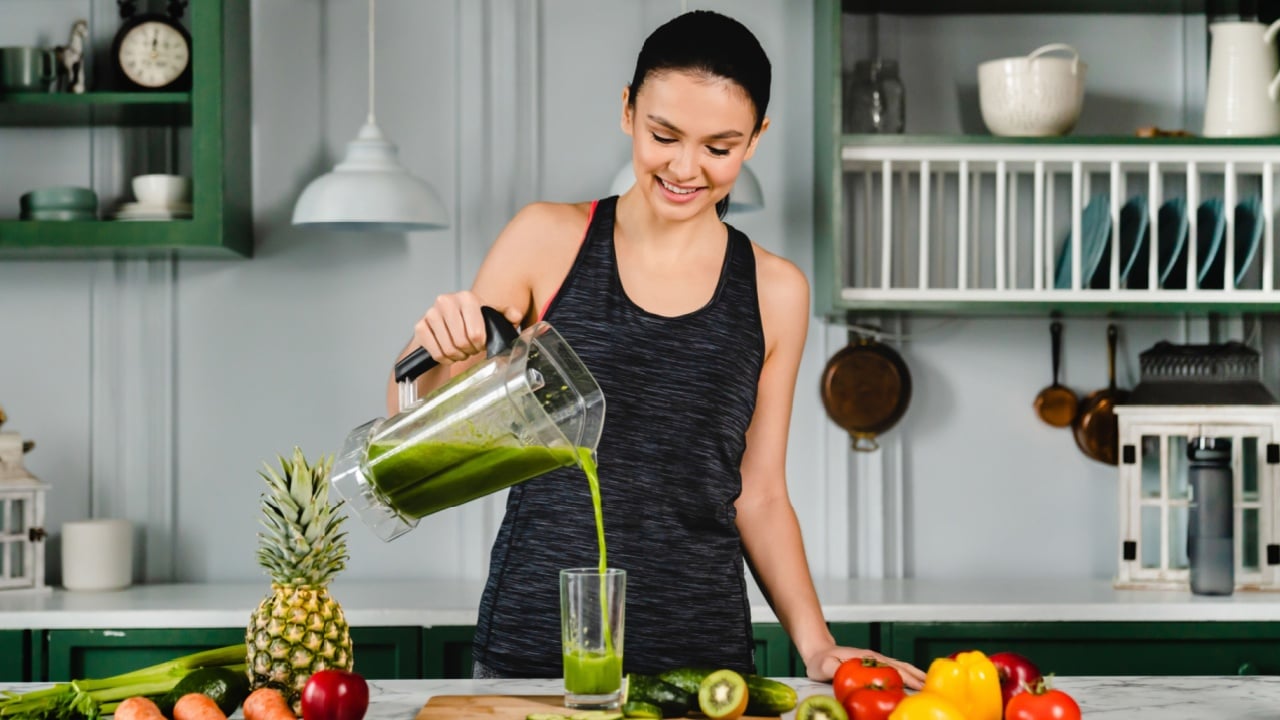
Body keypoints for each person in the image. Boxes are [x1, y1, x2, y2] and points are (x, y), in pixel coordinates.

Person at [386, 10, 924, 689]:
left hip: (704, 664)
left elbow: (757, 495)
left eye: (718, 147)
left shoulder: (775, 290)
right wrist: (437, 348)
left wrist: (818, 646)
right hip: (533, 656)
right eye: (663, 134)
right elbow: (408, 423)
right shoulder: (546, 241)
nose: (684, 167)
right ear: (627, 110)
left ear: (756, 138)